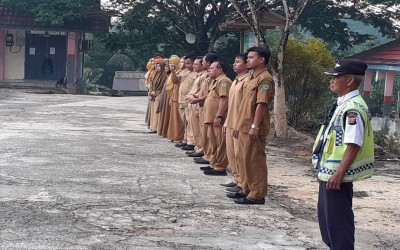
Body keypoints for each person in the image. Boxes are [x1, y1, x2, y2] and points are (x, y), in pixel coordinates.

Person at [312, 59, 374, 250]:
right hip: (329, 173)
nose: (331, 80)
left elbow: (354, 143)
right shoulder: (343, 103)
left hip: (337, 176)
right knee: (328, 222)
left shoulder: (352, 108)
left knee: (338, 225)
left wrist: (339, 172)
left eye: (335, 76)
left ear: (349, 81)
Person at [227, 46, 275, 205]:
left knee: (255, 161)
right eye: (247, 57)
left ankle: (257, 194)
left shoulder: (265, 79)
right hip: (243, 125)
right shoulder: (251, 78)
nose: (248, 60)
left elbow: (261, 104)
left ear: (261, 60)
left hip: (253, 127)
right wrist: (237, 125)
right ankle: (247, 189)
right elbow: (243, 105)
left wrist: (255, 126)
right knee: (244, 160)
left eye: (251, 57)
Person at [222, 53, 249, 189]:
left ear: (246, 65)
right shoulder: (235, 81)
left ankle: (243, 182)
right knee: (232, 154)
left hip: (239, 124)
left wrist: (239, 125)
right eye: (234, 61)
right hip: (230, 122)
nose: (234, 64)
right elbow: (231, 105)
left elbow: (245, 107)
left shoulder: (247, 81)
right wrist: (226, 122)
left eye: (237, 62)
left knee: (240, 155)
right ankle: (236, 179)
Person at [202, 60, 232, 176]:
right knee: (213, 142)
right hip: (211, 118)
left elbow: (224, 100)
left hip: (218, 118)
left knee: (220, 142)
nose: (210, 70)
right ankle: (214, 163)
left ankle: (220, 166)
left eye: (212, 68)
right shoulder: (216, 81)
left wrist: (219, 115)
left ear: (220, 70)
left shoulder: (224, 81)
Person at [167, 56, 185, 143]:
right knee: (174, 120)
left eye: (182, 62)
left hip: (180, 99)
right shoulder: (177, 72)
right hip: (175, 97)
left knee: (179, 120)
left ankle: (179, 137)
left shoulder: (185, 73)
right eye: (180, 62)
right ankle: (174, 136)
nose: (181, 64)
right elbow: (174, 84)